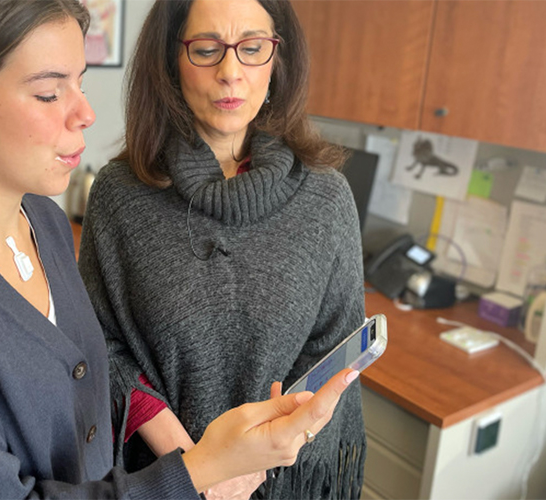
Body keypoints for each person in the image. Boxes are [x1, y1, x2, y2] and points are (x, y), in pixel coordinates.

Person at [0, 0, 360, 498]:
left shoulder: (44, 222)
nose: (85, 113)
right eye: (50, 92)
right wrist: (195, 473)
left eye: (79, 82)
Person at [78, 0, 367, 498]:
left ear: (278, 60)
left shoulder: (327, 198)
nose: (231, 73)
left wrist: (259, 461)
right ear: (171, 61)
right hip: (161, 479)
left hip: (285, 479)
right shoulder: (120, 196)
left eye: (252, 48)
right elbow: (99, 344)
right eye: (207, 49)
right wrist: (197, 468)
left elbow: (335, 353)